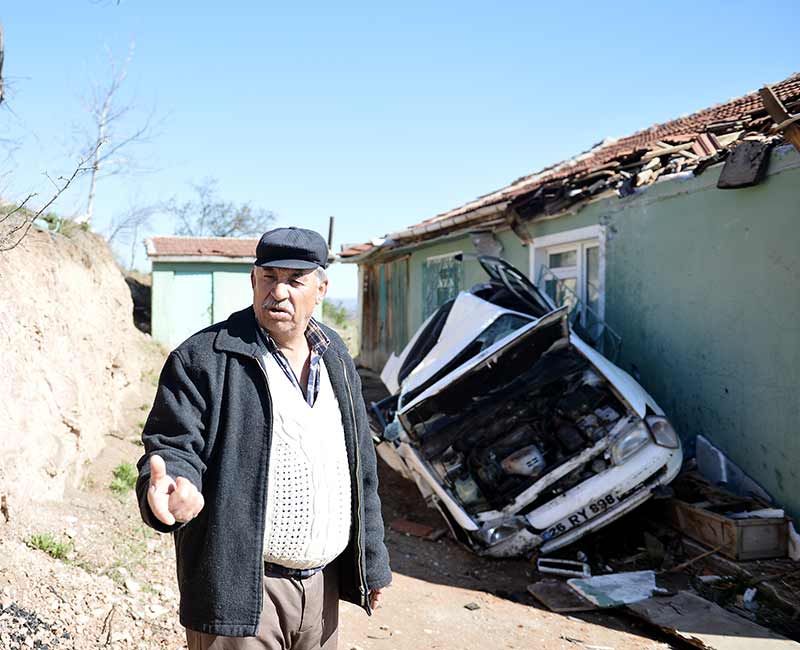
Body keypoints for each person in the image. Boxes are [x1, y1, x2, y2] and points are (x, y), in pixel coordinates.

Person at [135, 227, 391, 650]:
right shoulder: (204, 359)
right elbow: (173, 448)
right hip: (240, 592)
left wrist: (372, 563)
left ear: (322, 288)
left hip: (321, 590)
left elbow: (361, 465)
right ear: (253, 280)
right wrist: (168, 487)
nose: (280, 292)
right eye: (269, 277)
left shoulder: (336, 358)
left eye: (295, 280)